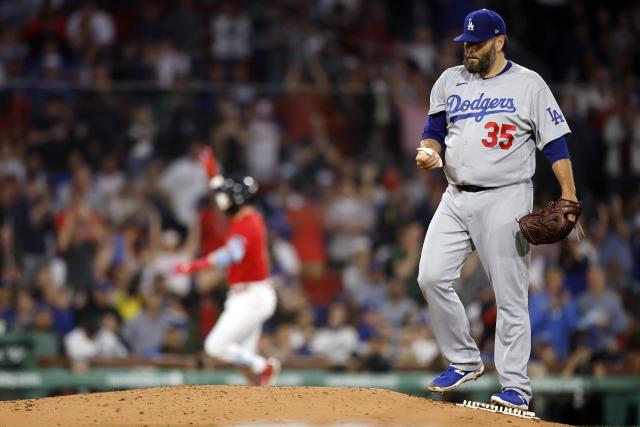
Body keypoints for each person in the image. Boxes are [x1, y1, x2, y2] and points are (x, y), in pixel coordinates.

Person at [415, 9, 579, 410]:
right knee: (430, 276)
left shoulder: (529, 84)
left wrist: (569, 193)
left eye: (478, 42)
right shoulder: (449, 80)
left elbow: (554, 143)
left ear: (500, 41)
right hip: (455, 195)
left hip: (506, 195)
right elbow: (434, 131)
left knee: (509, 294)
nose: (469, 49)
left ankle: (516, 388)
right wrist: (428, 152)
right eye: (466, 43)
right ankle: (465, 359)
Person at [173, 170, 279, 386]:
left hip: (251, 297)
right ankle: (262, 390)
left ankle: (263, 366)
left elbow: (231, 255)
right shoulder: (251, 217)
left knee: (215, 346)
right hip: (252, 294)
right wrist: (212, 172)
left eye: (228, 199)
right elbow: (223, 194)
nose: (223, 202)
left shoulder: (246, 225)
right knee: (241, 359)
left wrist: (194, 266)